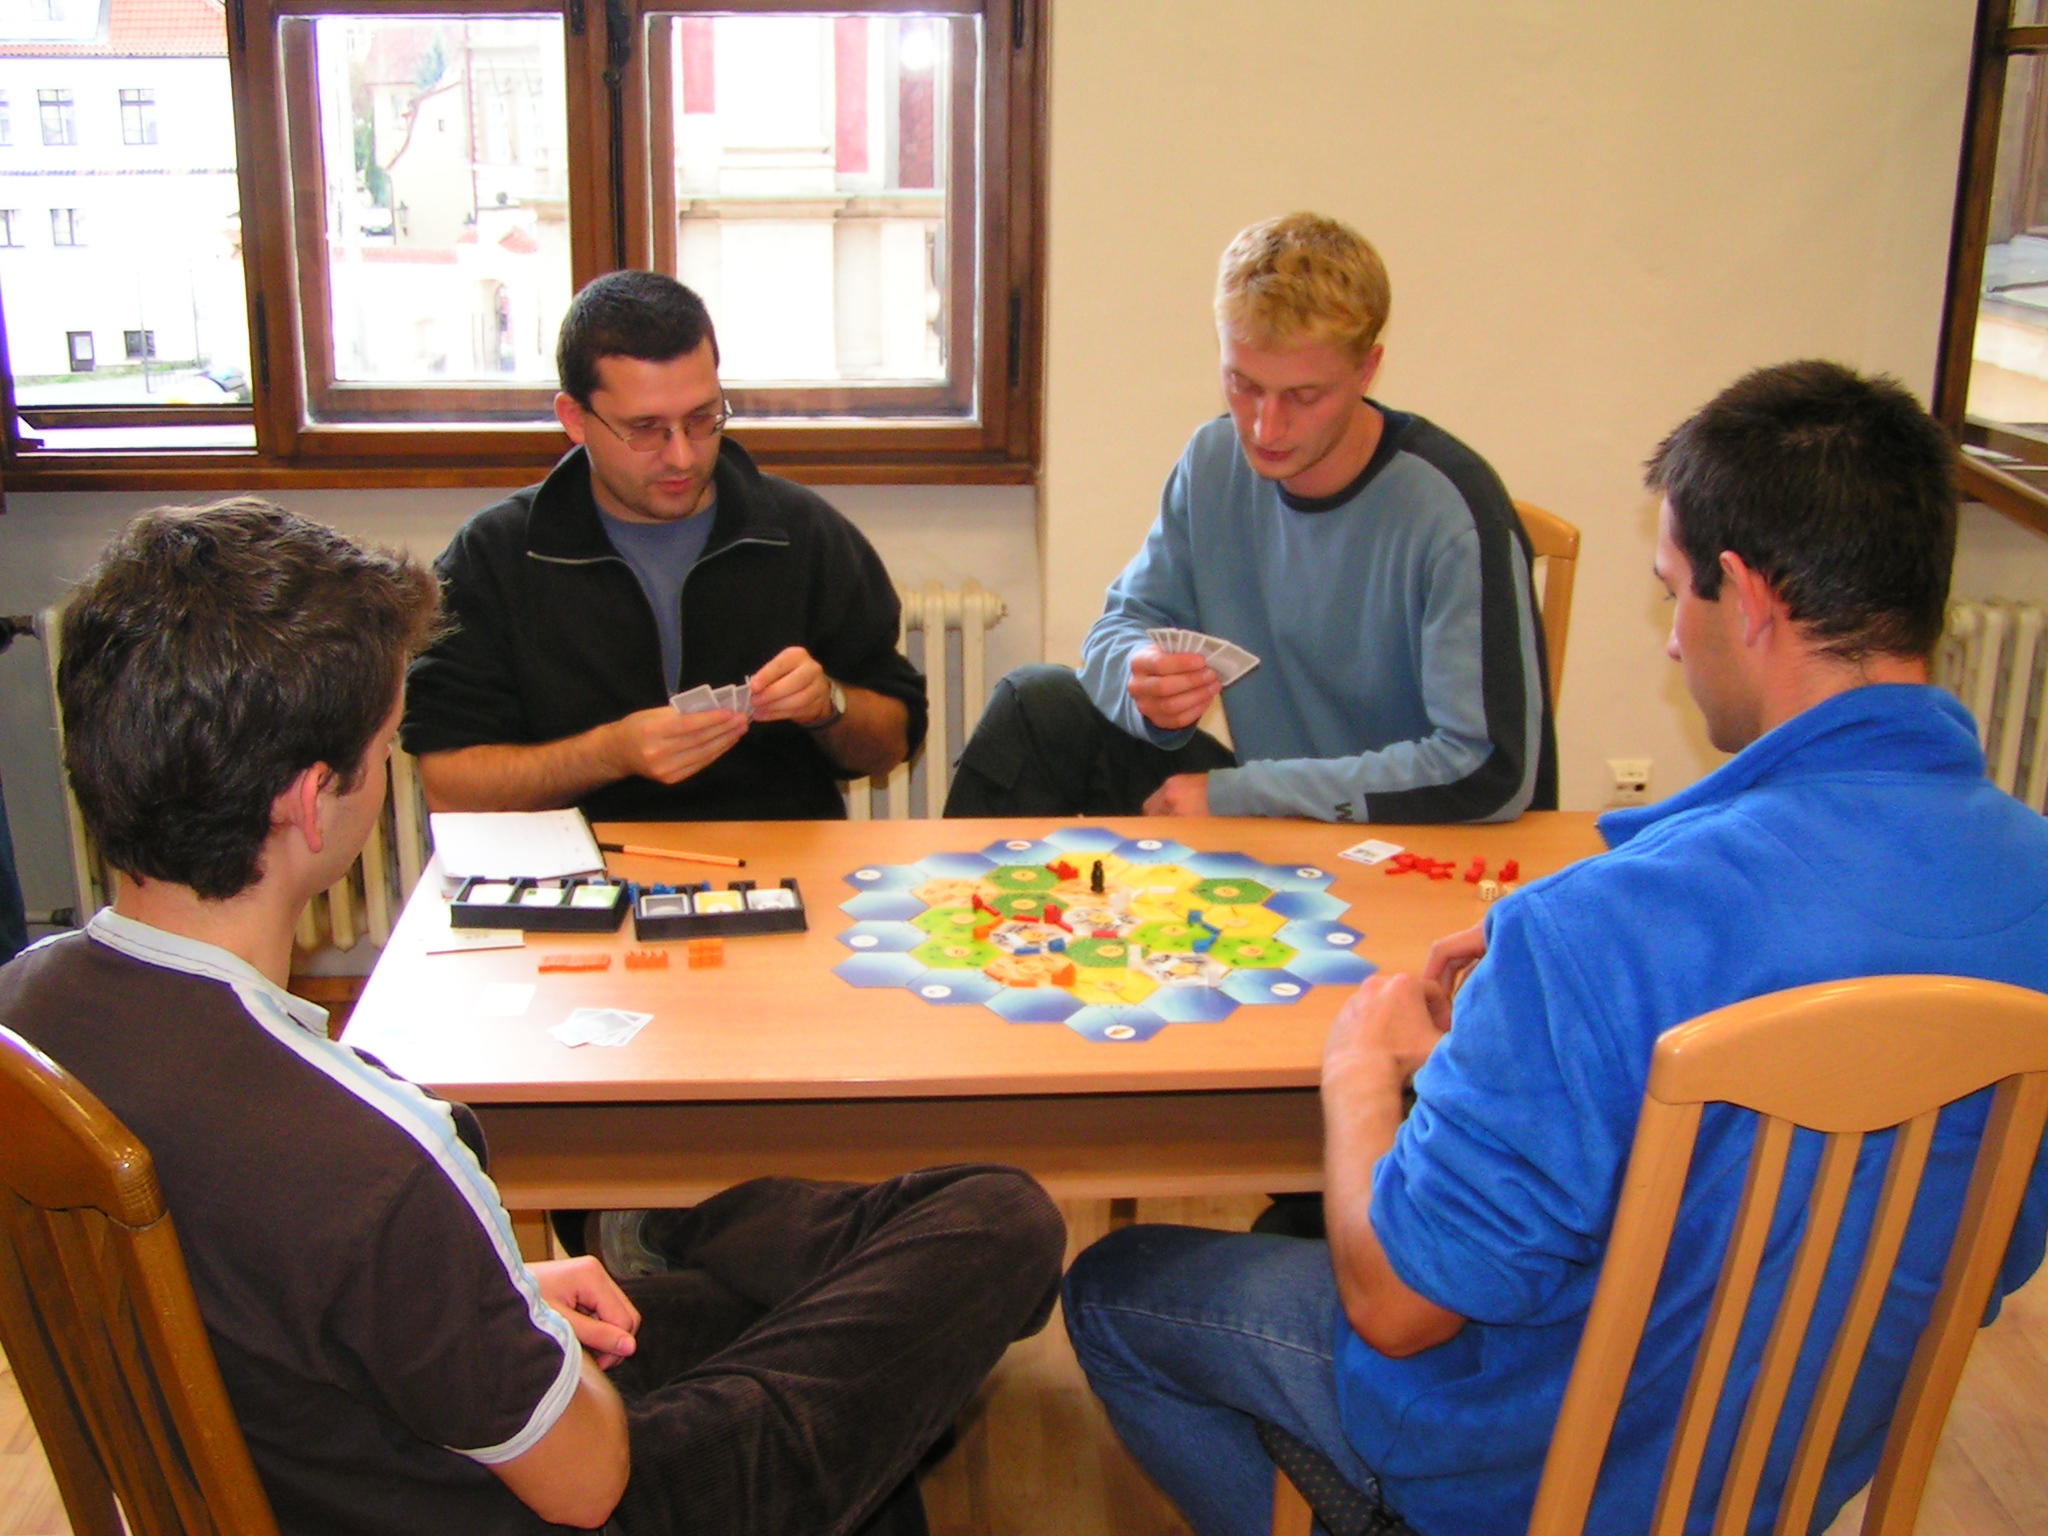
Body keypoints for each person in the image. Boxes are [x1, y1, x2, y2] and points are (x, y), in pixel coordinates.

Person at [1060, 361, 2048, 1536]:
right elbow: (1982, 1252)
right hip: (1794, 1467)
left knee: (1116, 1290)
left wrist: (1360, 1065)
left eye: (1673, 592)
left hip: (1544, 1479)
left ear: (1744, 597)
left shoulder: (1602, 931)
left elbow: (1397, 1307)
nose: (1671, 643)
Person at [0, 500, 1063, 1536]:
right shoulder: (378, 1157)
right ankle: (678, 1233)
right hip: (562, 1492)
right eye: (386, 745)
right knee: (995, 1224)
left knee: (873, 1300)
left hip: (339, 1445)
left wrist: (489, 1295)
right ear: (312, 801)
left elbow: (289, 1287)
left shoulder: (25, 1008)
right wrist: (505, 1311)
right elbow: (589, 1482)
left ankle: (666, 1238)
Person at [945, 212, 1554, 822]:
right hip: (1273, 813)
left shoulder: (1453, 514)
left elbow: (1489, 771)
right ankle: (955, 887)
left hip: (1408, 832)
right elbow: (1119, 628)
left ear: (1366, 371)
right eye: (1242, 384)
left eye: (1303, 396)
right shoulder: (1213, 463)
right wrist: (1143, 676)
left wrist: (1241, 795)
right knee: (1035, 705)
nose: (1266, 427)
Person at [404, 270, 928, 822]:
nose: (682, 456)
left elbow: (891, 742)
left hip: (775, 854)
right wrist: (609, 754)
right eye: (646, 429)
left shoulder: (802, 533)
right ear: (574, 419)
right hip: (581, 860)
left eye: (702, 419)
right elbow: (449, 787)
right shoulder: (494, 556)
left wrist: (829, 705)